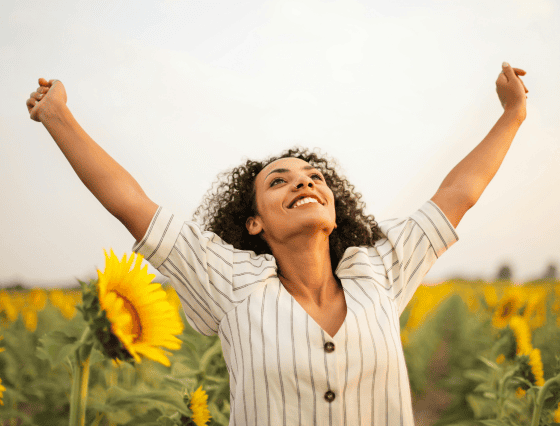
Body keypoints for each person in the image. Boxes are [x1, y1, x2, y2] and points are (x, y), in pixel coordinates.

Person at [26, 62, 528, 425]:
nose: (304, 184)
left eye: (314, 178)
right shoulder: (230, 284)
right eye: (279, 181)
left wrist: (512, 115)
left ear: (335, 208)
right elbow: (132, 205)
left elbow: (458, 195)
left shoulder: (379, 269)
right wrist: (58, 116)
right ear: (252, 224)